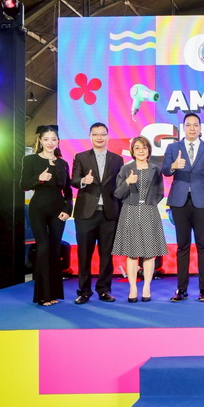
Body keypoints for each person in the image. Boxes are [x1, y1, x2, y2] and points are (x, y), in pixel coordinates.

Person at [162, 112, 204, 302]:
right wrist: (173, 165)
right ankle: (181, 289)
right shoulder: (173, 147)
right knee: (182, 247)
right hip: (179, 203)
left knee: (203, 246)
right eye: (189, 125)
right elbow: (165, 170)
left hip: (203, 204)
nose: (192, 128)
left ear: (200, 128)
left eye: (196, 125)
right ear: (183, 127)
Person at [71, 122, 124, 304]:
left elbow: (119, 187)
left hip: (109, 214)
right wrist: (83, 180)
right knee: (84, 255)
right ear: (90, 136)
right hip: (86, 214)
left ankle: (104, 290)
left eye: (103, 134)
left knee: (107, 255)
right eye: (95, 134)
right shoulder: (81, 157)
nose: (99, 137)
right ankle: (84, 291)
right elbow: (74, 180)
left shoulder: (117, 159)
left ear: (108, 136)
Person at [20, 125, 73, 306]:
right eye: (46, 139)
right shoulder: (30, 159)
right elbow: (23, 185)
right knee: (43, 248)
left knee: (55, 249)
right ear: (40, 141)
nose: (50, 142)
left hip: (58, 211)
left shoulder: (63, 163)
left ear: (58, 141)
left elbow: (68, 192)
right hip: (38, 209)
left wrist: (68, 210)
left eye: (54, 139)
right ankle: (43, 295)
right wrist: (39, 179)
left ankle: (54, 294)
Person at [113, 136, 168, 302]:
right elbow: (118, 193)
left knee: (149, 253)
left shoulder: (155, 169)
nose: (141, 151)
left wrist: (149, 204)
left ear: (149, 150)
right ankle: (132, 288)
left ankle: (146, 287)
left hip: (149, 212)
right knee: (132, 254)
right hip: (130, 211)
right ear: (132, 151)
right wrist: (127, 182)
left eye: (144, 147)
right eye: (137, 148)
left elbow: (160, 193)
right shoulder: (125, 169)